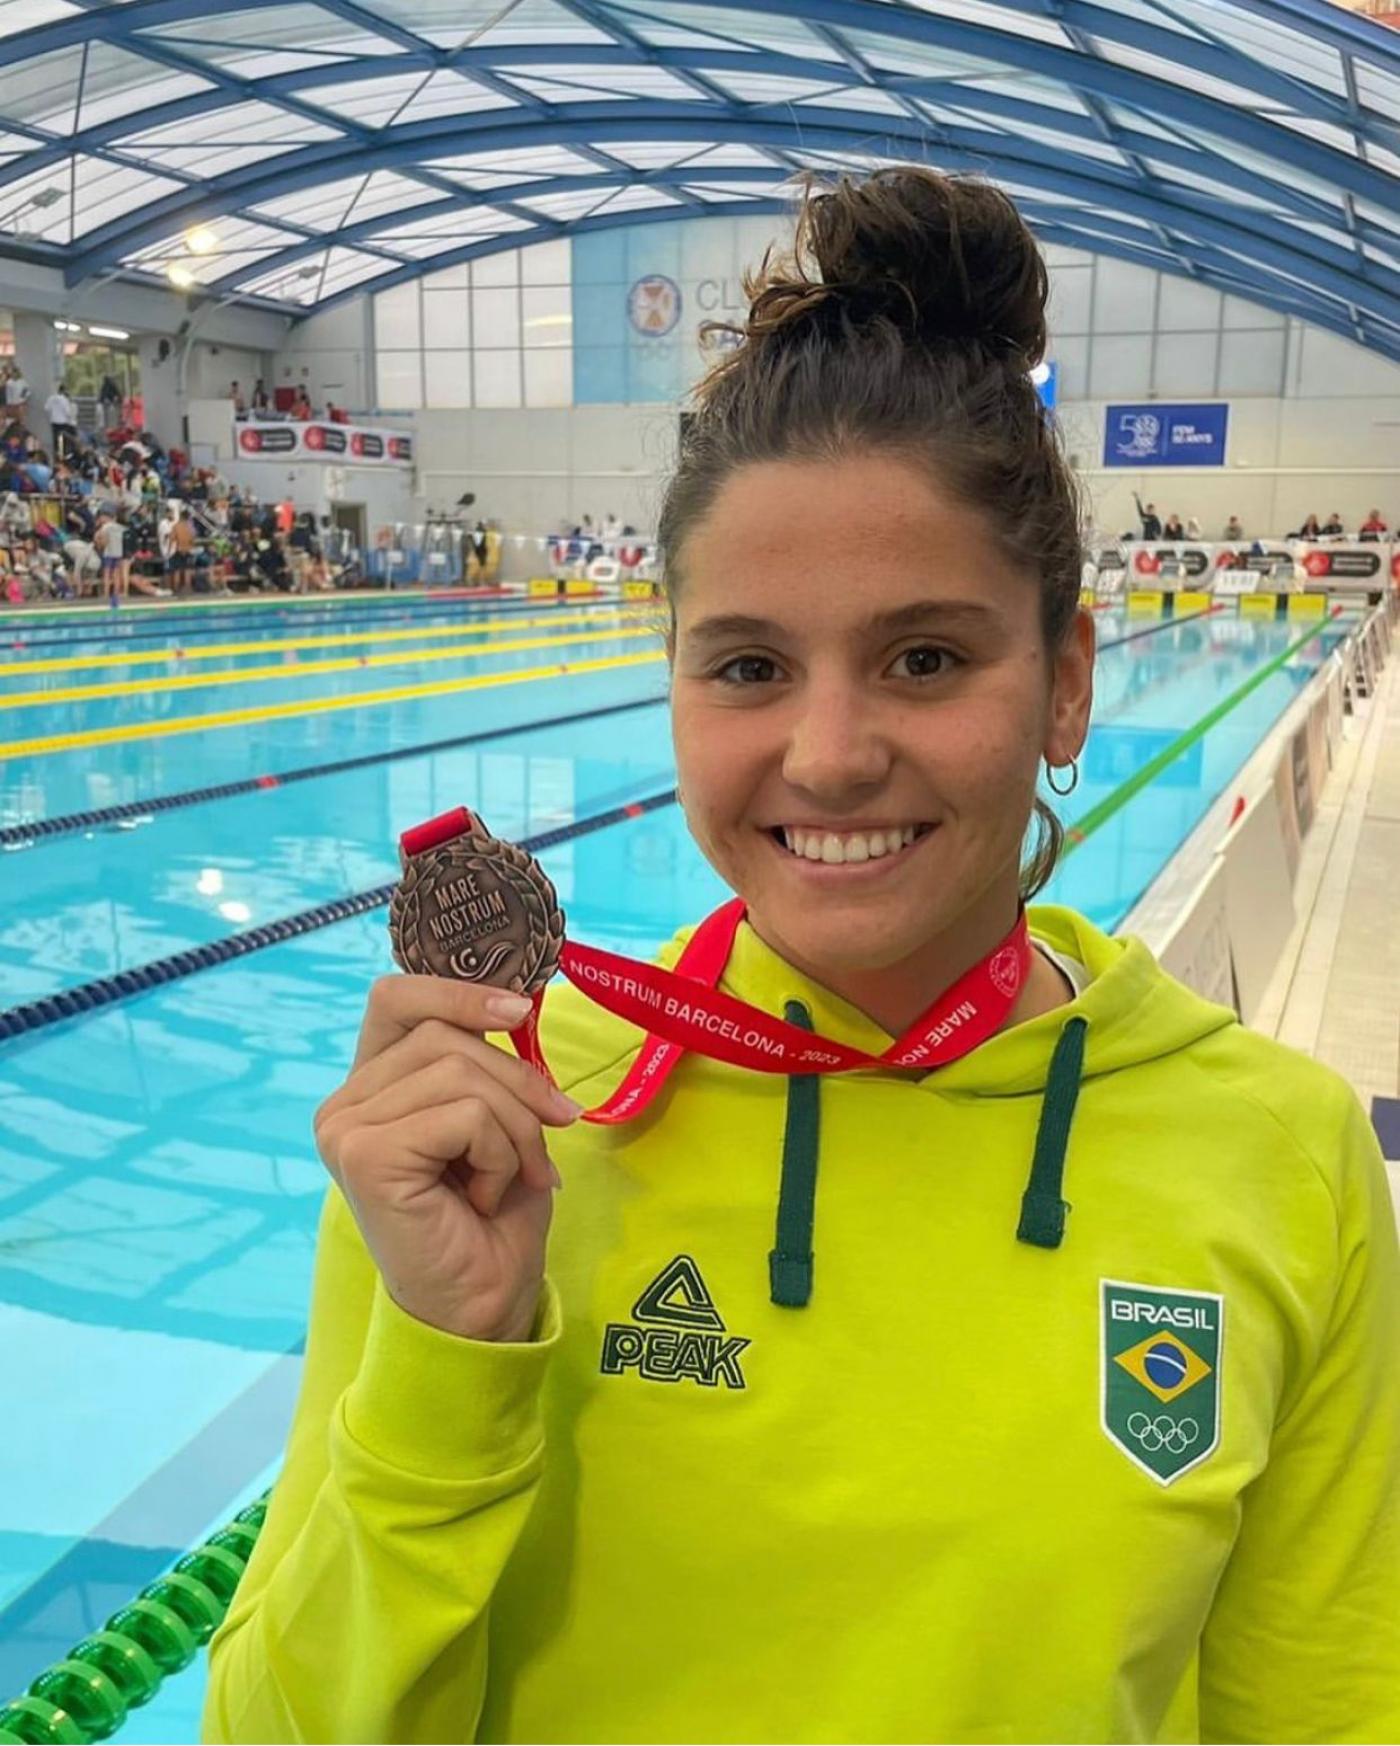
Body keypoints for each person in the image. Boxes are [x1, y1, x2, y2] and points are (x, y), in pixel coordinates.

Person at [204, 169, 1400, 1746]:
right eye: (751, 665)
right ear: (677, 685)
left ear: (1064, 682)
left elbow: (1322, 1707)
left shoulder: (1282, 1157)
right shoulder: (498, 1121)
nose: (828, 756)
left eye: (924, 656)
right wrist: (446, 1365)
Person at [95, 509, 126, 598]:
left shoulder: (105, 527)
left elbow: (104, 541)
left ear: (106, 517)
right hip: (118, 553)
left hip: (108, 553)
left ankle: (106, 593)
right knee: (116, 574)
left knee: (107, 573)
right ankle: (116, 592)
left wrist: (100, 546)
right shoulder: (120, 527)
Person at [44, 383, 77, 461]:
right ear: (64, 390)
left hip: (54, 421)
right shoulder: (64, 400)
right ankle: (63, 456)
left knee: (55, 440)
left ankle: (56, 456)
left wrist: (51, 415)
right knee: (63, 440)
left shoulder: (51, 398)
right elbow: (68, 412)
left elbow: (46, 408)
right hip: (63, 422)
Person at [168, 504, 196, 595]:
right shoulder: (190, 527)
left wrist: (168, 551)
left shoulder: (176, 526)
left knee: (177, 571)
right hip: (188, 549)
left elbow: (172, 539)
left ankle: (176, 590)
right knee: (187, 570)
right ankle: (188, 589)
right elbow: (193, 539)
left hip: (179, 549)